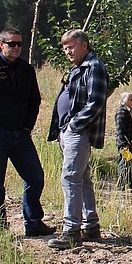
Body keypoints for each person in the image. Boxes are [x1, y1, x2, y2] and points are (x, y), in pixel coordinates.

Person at [0, 28, 54, 237]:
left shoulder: (26, 70)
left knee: (35, 177)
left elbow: (34, 100)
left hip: (21, 134)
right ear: (1, 45)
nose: (16, 48)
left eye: (19, 44)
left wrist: (28, 126)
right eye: (11, 44)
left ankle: (33, 223)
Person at [46, 29, 109, 249]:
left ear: (84, 45)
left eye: (71, 47)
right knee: (81, 178)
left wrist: (74, 125)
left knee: (70, 177)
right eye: (65, 48)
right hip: (69, 131)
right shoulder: (77, 68)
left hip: (79, 132)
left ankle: (71, 230)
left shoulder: (94, 66)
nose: (67, 52)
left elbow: (96, 101)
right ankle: (90, 225)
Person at [115, 91, 132, 191]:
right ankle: (122, 186)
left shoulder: (130, 111)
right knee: (125, 163)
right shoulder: (122, 112)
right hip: (126, 144)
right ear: (124, 101)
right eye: (131, 99)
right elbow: (120, 130)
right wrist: (124, 144)